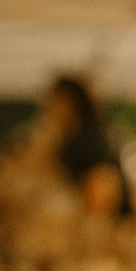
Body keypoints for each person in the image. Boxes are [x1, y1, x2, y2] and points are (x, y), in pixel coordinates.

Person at [36, 76, 125, 217]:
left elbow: (102, 179)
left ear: (70, 101)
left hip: (94, 209)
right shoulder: (70, 132)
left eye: (57, 100)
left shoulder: (90, 135)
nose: (53, 107)